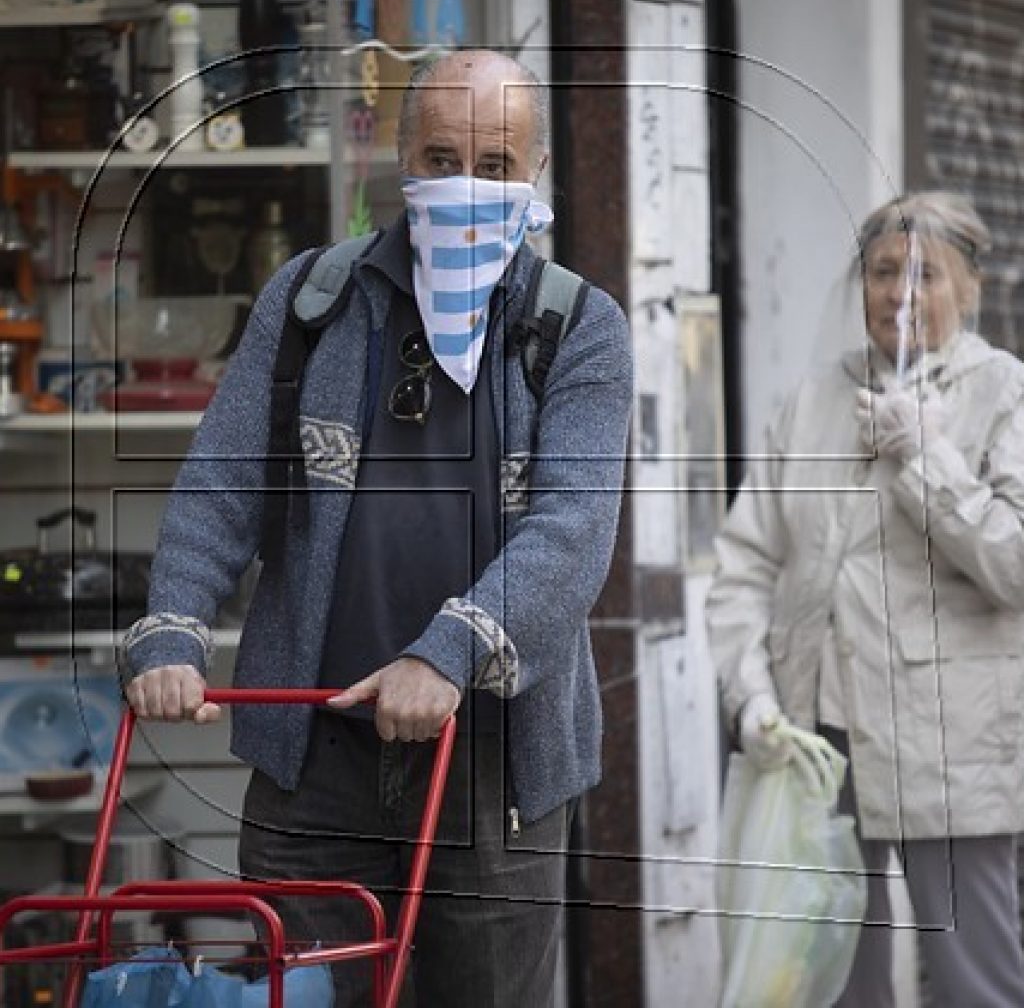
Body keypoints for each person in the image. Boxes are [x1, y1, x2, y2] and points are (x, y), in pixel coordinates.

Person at [121, 50, 632, 1007]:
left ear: (536, 175)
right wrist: (174, 627)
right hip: (316, 761)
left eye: (495, 165)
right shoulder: (314, 300)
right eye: (441, 158)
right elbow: (223, 484)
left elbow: (573, 533)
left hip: (494, 774)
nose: (467, 187)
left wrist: (445, 656)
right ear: (400, 160)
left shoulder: (578, 328)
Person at [706, 191, 1024, 1006]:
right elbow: (745, 564)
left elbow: (1015, 563)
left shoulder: (1003, 394)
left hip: (953, 743)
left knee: (973, 981)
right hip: (819, 738)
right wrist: (752, 700)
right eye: (884, 272)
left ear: (969, 290)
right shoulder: (812, 399)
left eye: (927, 275)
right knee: (834, 981)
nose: (901, 293)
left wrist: (927, 458)